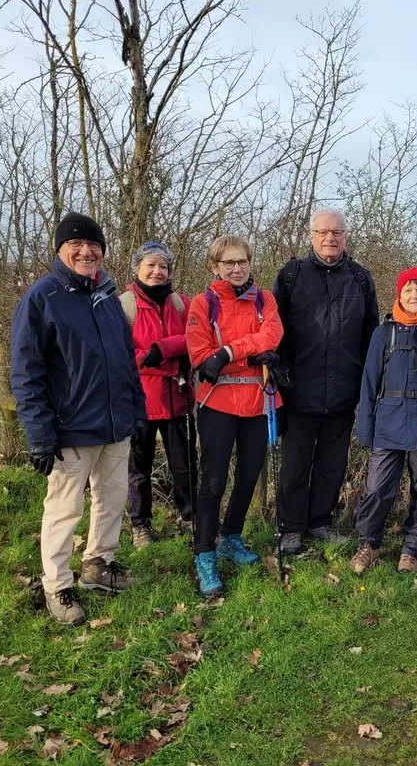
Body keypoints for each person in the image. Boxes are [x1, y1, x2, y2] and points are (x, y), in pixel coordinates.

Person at [10, 212, 146, 625]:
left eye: (94, 246)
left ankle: (99, 565)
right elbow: (26, 372)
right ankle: (57, 585)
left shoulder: (106, 296)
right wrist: (39, 433)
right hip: (71, 427)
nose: (86, 252)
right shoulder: (42, 298)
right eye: (77, 245)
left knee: (112, 498)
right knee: (64, 508)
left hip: (115, 424)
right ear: (61, 250)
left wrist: (136, 411)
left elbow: (126, 360)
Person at [272, 208, 380, 554]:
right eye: (323, 232)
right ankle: (291, 527)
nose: (330, 238)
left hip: (343, 389)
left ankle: (320, 521)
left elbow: (371, 336)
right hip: (298, 388)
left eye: (337, 232)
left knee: (333, 462)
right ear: (311, 235)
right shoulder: (291, 275)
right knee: (295, 463)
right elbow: (275, 332)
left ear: (346, 236)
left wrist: (368, 384)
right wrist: (278, 373)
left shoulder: (361, 279)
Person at [186, 235, 284, 597]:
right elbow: (200, 356)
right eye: (229, 263)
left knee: (247, 477)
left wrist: (227, 351)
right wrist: (242, 351)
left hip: (258, 400)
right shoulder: (203, 304)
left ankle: (230, 536)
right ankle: (204, 554)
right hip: (217, 403)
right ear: (215, 266)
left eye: (242, 262)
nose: (237, 268)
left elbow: (273, 334)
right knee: (212, 482)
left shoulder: (264, 300)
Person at [351, 269, 417, 574]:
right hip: (387, 424)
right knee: (377, 488)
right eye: (409, 290)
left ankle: (413, 547)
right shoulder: (384, 334)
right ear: (400, 295)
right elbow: (369, 384)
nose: (415, 295)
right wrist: (366, 430)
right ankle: (368, 544)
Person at [122, 242, 196, 548]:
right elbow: (122, 352)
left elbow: (195, 337)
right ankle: (141, 525)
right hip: (140, 401)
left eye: (163, 266)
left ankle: (190, 518)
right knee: (137, 469)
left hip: (178, 398)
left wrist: (162, 350)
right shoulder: (124, 305)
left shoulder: (182, 304)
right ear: (138, 268)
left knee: (186, 465)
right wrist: (148, 358)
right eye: (150, 265)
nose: (157, 271)